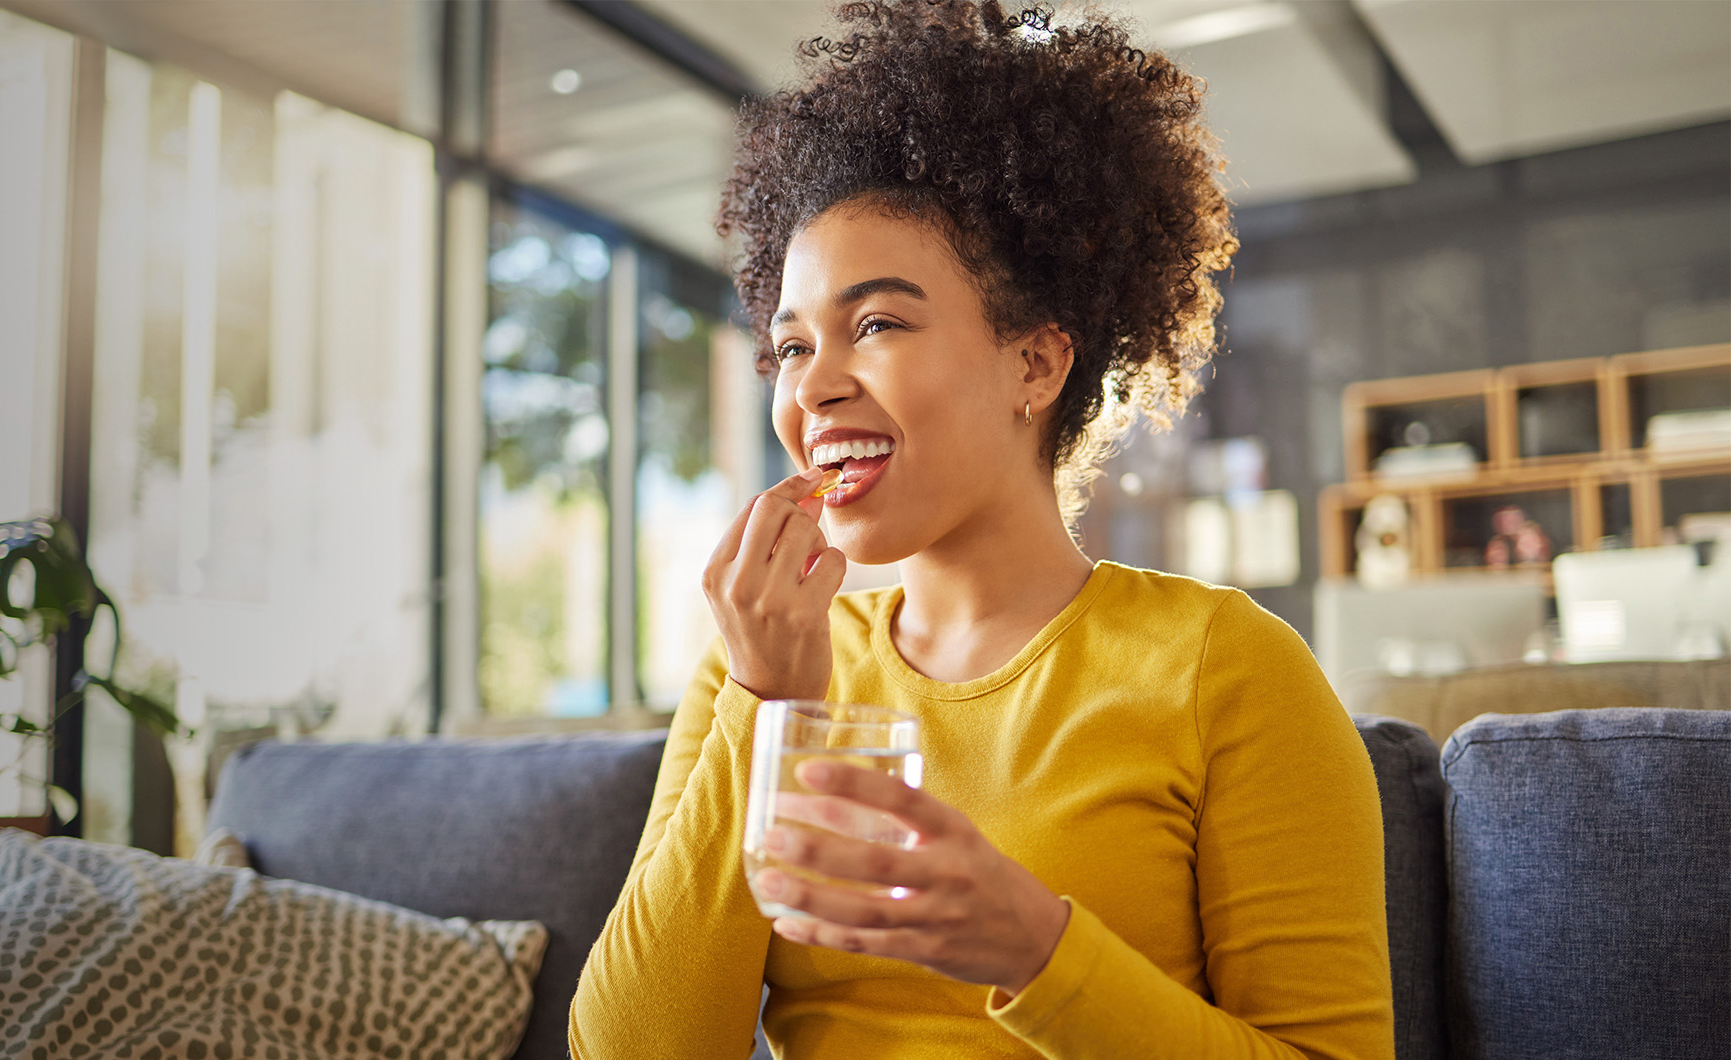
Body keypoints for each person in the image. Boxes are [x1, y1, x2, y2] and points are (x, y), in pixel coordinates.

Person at [567, 3, 1393, 1058]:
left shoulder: (1223, 670)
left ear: (1035, 365)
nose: (812, 386)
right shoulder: (758, 673)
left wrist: (1035, 950)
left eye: (876, 324)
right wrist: (765, 705)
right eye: (789, 346)